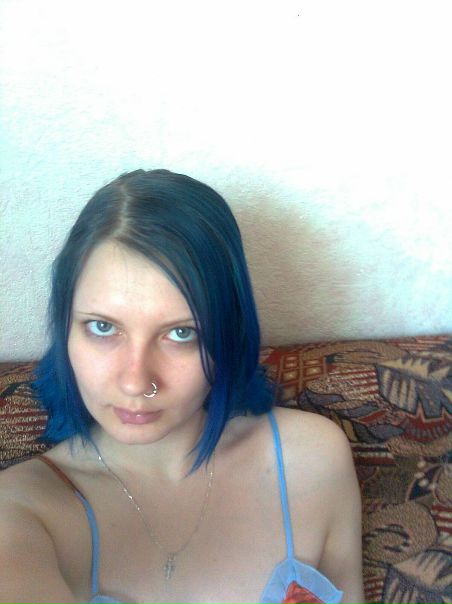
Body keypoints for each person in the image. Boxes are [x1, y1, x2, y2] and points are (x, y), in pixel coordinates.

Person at [0, 169, 364, 604]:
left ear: (228, 335)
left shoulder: (313, 458)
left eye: (181, 333)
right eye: (102, 327)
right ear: (65, 330)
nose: (136, 382)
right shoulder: (24, 511)